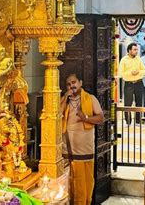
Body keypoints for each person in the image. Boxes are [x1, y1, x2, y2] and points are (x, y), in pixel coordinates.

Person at [60, 74, 104, 205]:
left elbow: (100, 118)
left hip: (84, 149)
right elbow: (56, 116)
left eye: (74, 82)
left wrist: (85, 117)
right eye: (68, 84)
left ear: (80, 82)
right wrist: (64, 99)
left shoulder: (90, 99)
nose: (71, 86)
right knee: (68, 180)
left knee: (84, 181)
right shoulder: (64, 100)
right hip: (66, 147)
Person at [119, 43, 145, 125]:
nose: (136, 51)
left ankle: (138, 121)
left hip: (139, 83)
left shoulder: (139, 59)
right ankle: (128, 122)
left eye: (137, 49)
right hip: (129, 84)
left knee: (139, 102)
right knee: (128, 103)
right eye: (134, 50)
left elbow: (144, 71)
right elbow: (121, 73)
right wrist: (131, 73)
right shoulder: (124, 60)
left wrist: (138, 72)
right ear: (129, 50)